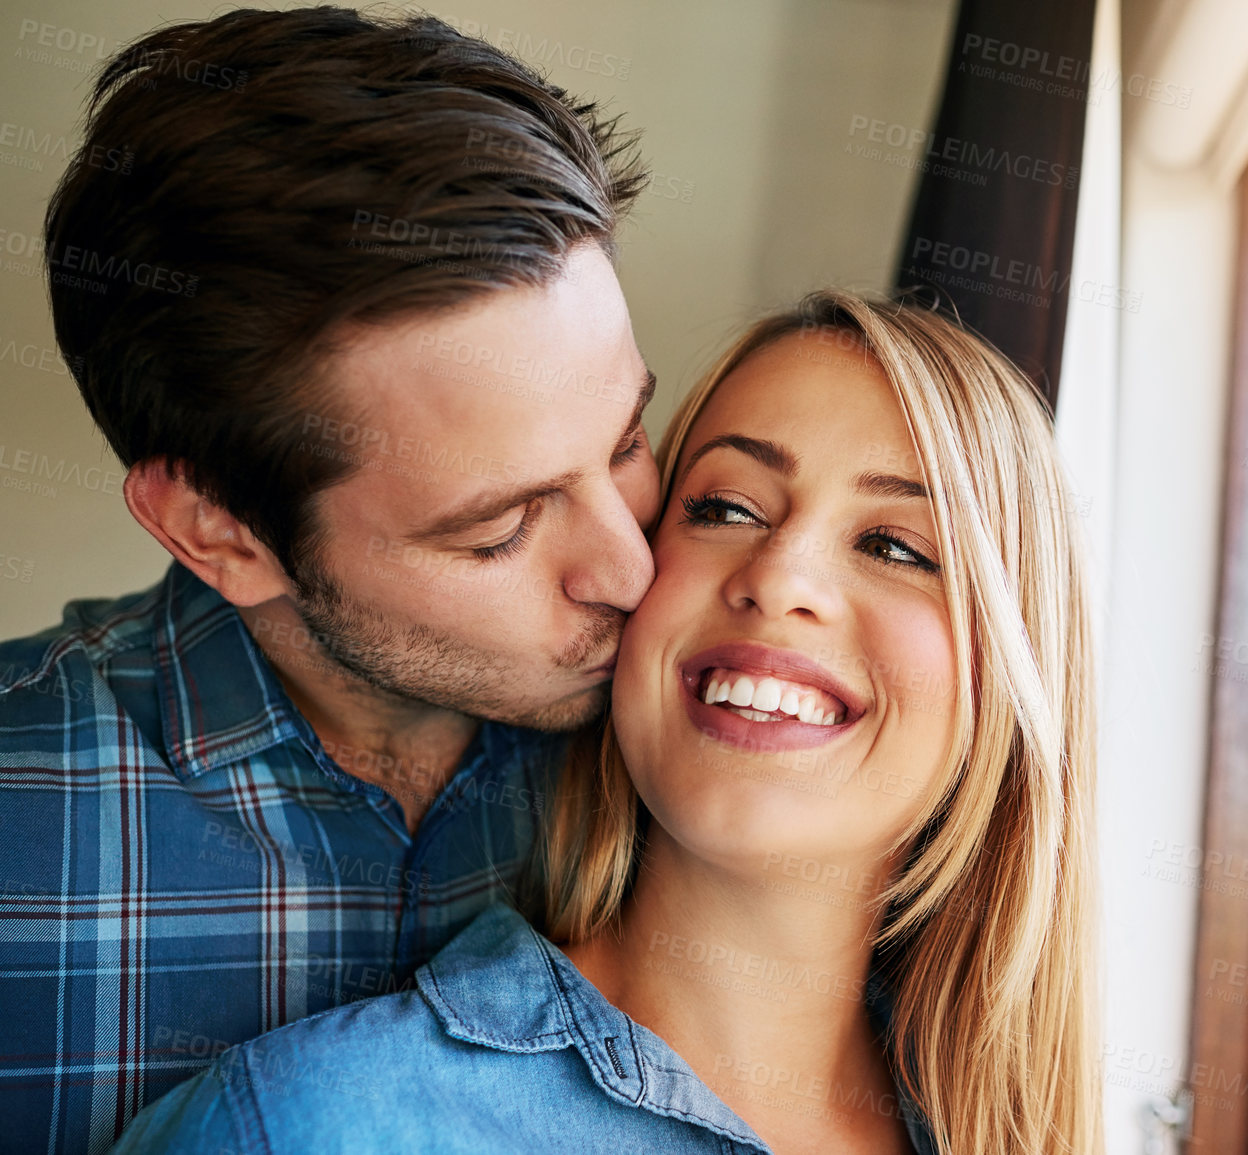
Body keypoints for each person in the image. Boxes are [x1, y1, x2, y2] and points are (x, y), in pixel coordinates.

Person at [112, 290, 1104, 1155]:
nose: (780, 578)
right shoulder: (301, 1129)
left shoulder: (983, 1128)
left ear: (1013, 673)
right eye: (726, 508)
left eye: (893, 544)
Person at [0, 10, 659, 1149]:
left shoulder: (719, 747)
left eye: (628, 443)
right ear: (219, 532)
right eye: (499, 527)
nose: (633, 569)